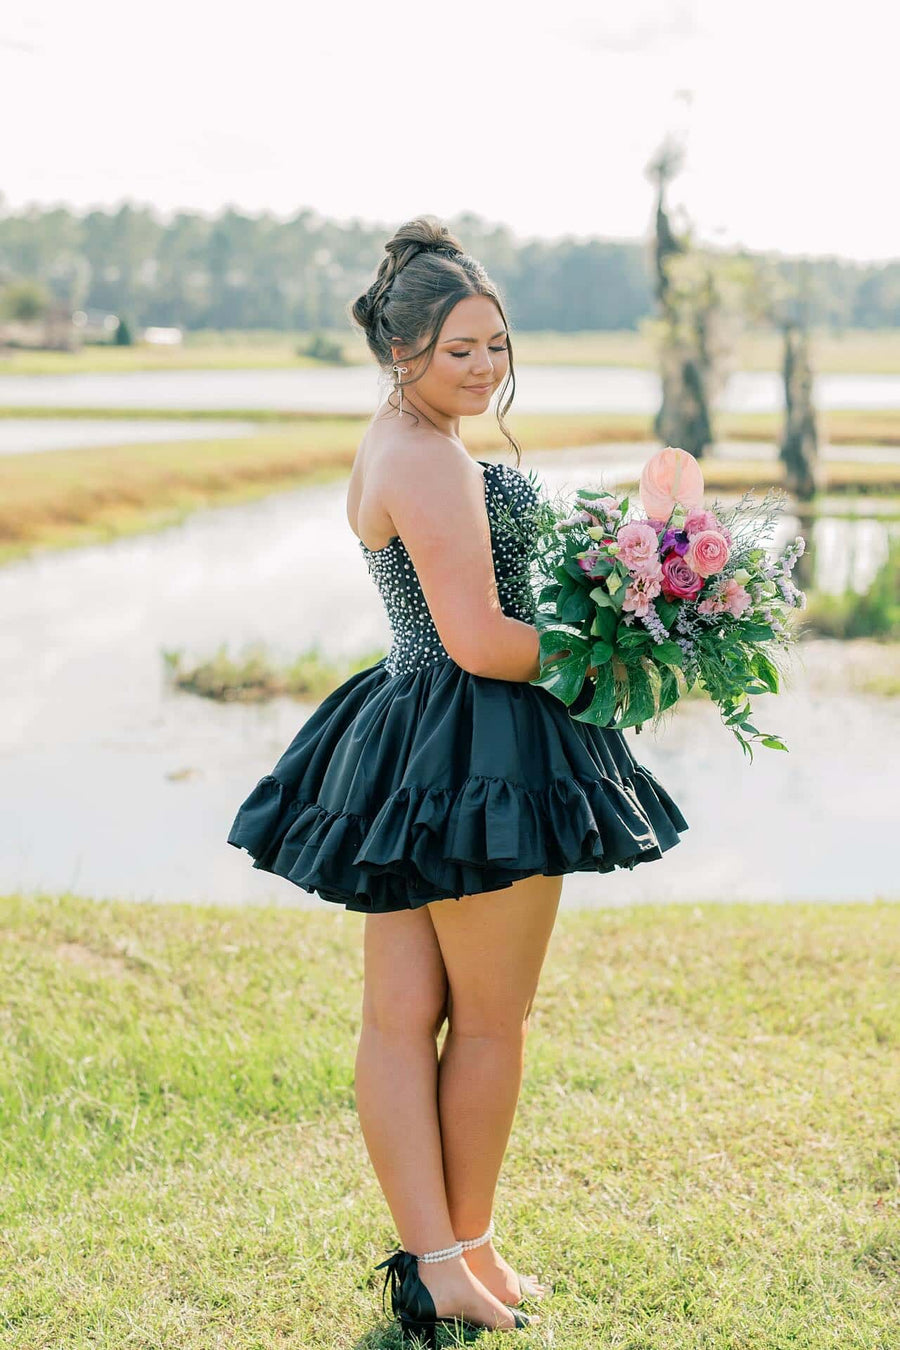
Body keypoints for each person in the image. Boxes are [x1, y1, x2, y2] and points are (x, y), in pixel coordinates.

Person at [227, 215, 689, 1342]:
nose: (483, 367)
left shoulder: (397, 436)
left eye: (495, 345)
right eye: (457, 351)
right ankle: (447, 1260)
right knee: (487, 1023)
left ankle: (457, 1254)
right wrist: (625, 660)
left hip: (420, 736)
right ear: (401, 352)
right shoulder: (425, 457)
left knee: (402, 1017)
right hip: (475, 741)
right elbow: (482, 639)